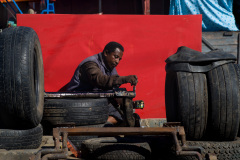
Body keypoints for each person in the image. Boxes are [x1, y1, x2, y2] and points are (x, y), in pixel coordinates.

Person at [66, 41, 138, 126]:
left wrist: (125, 103)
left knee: (128, 112)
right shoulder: (90, 64)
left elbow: (113, 85)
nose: (117, 61)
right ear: (106, 53)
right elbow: (100, 81)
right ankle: (102, 126)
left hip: (97, 102)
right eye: (116, 57)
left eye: (119, 59)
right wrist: (125, 79)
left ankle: (104, 124)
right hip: (80, 103)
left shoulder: (110, 66)